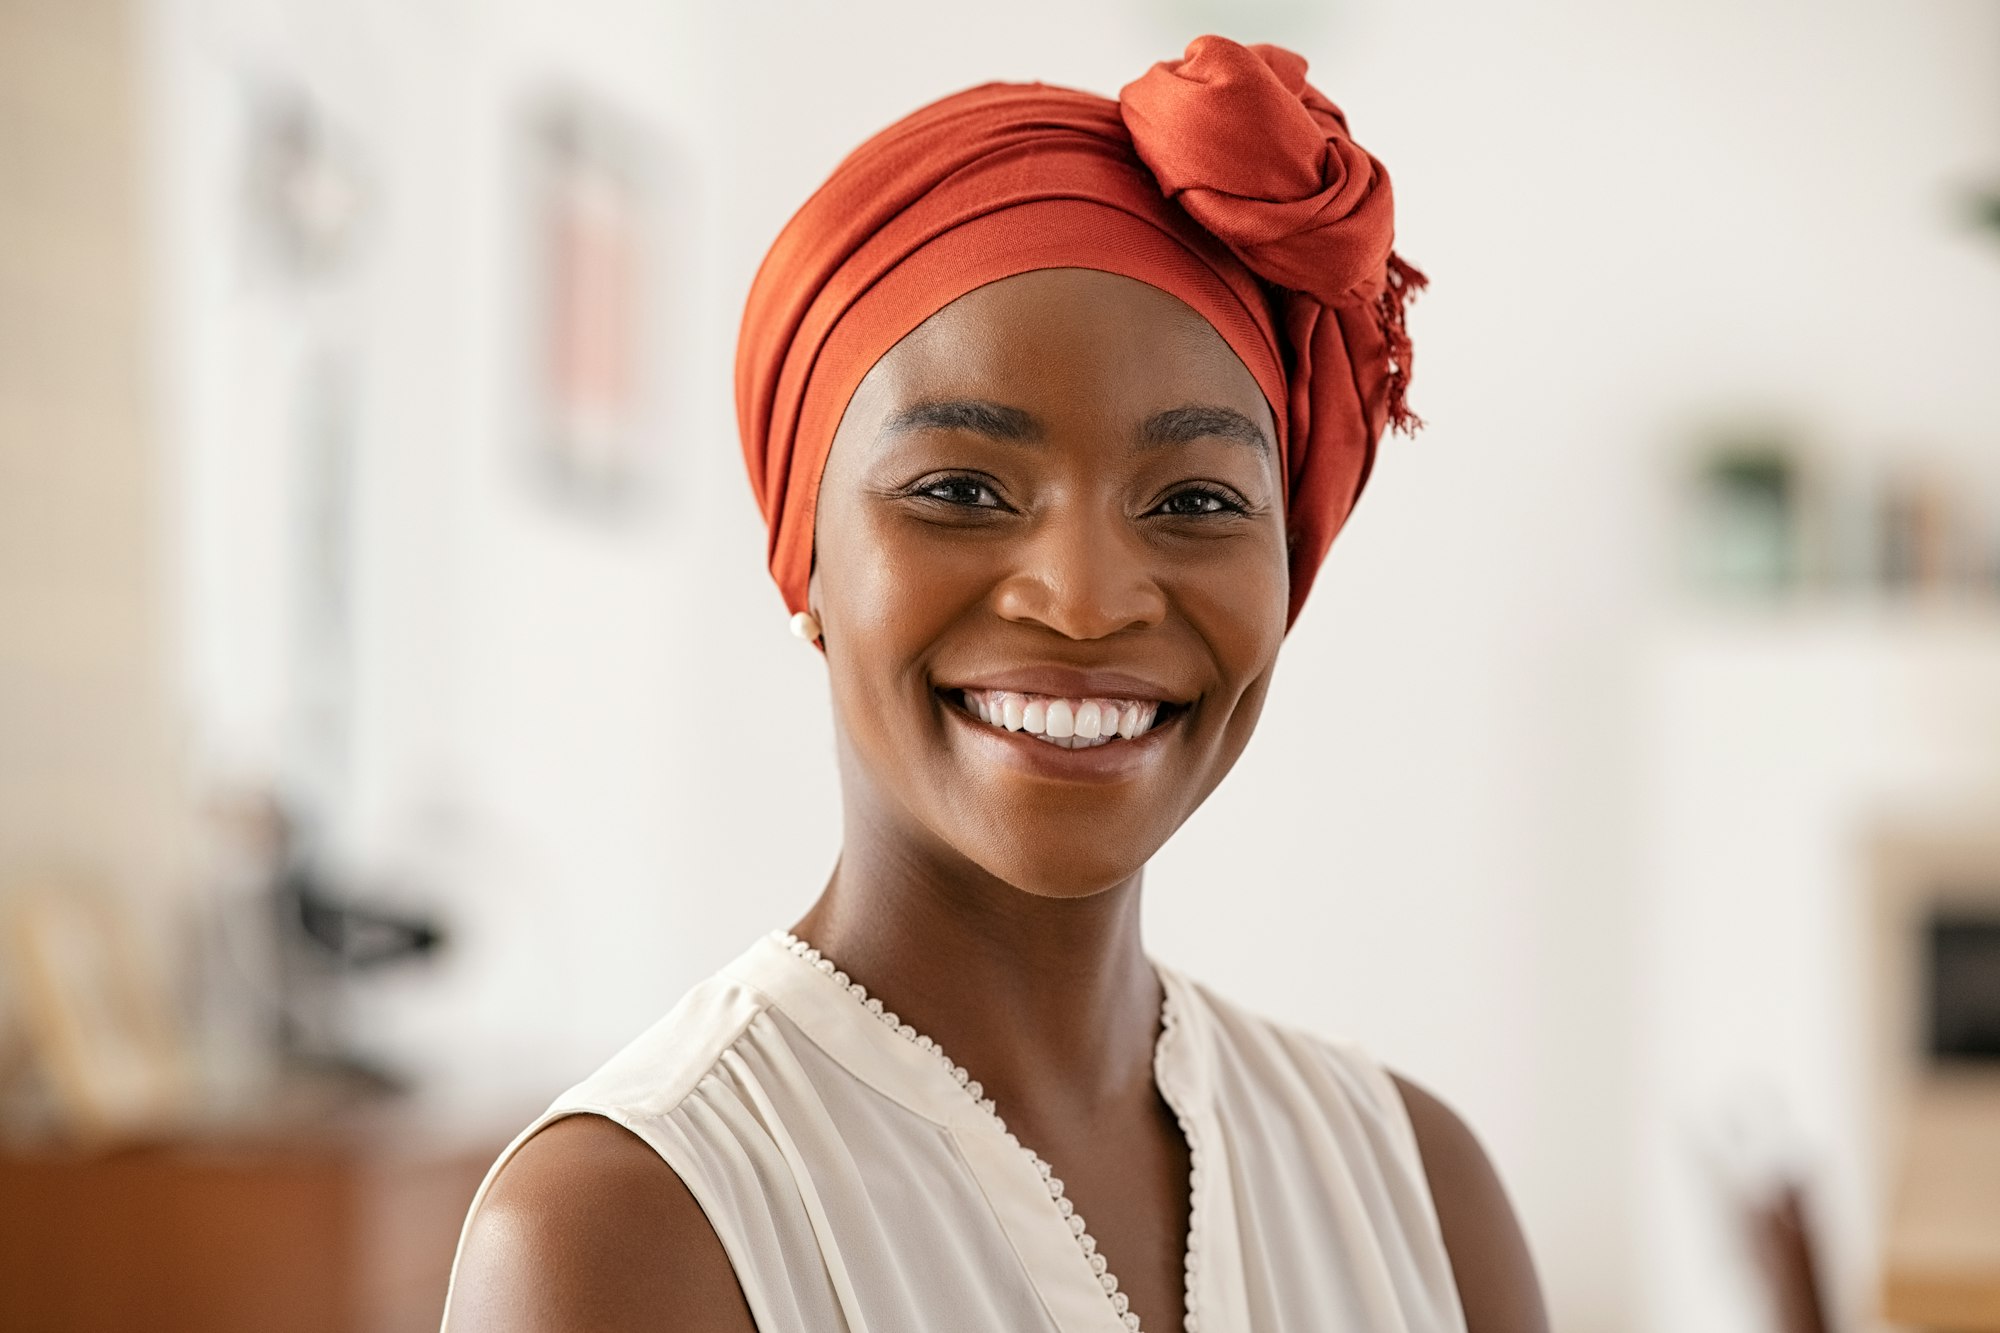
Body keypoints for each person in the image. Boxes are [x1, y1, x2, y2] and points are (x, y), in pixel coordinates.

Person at [445, 35, 1546, 1333]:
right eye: (961, 490)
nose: (1084, 598)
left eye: (1195, 499)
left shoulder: (1419, 1194)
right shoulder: (629, 1229)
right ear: (806, 559)